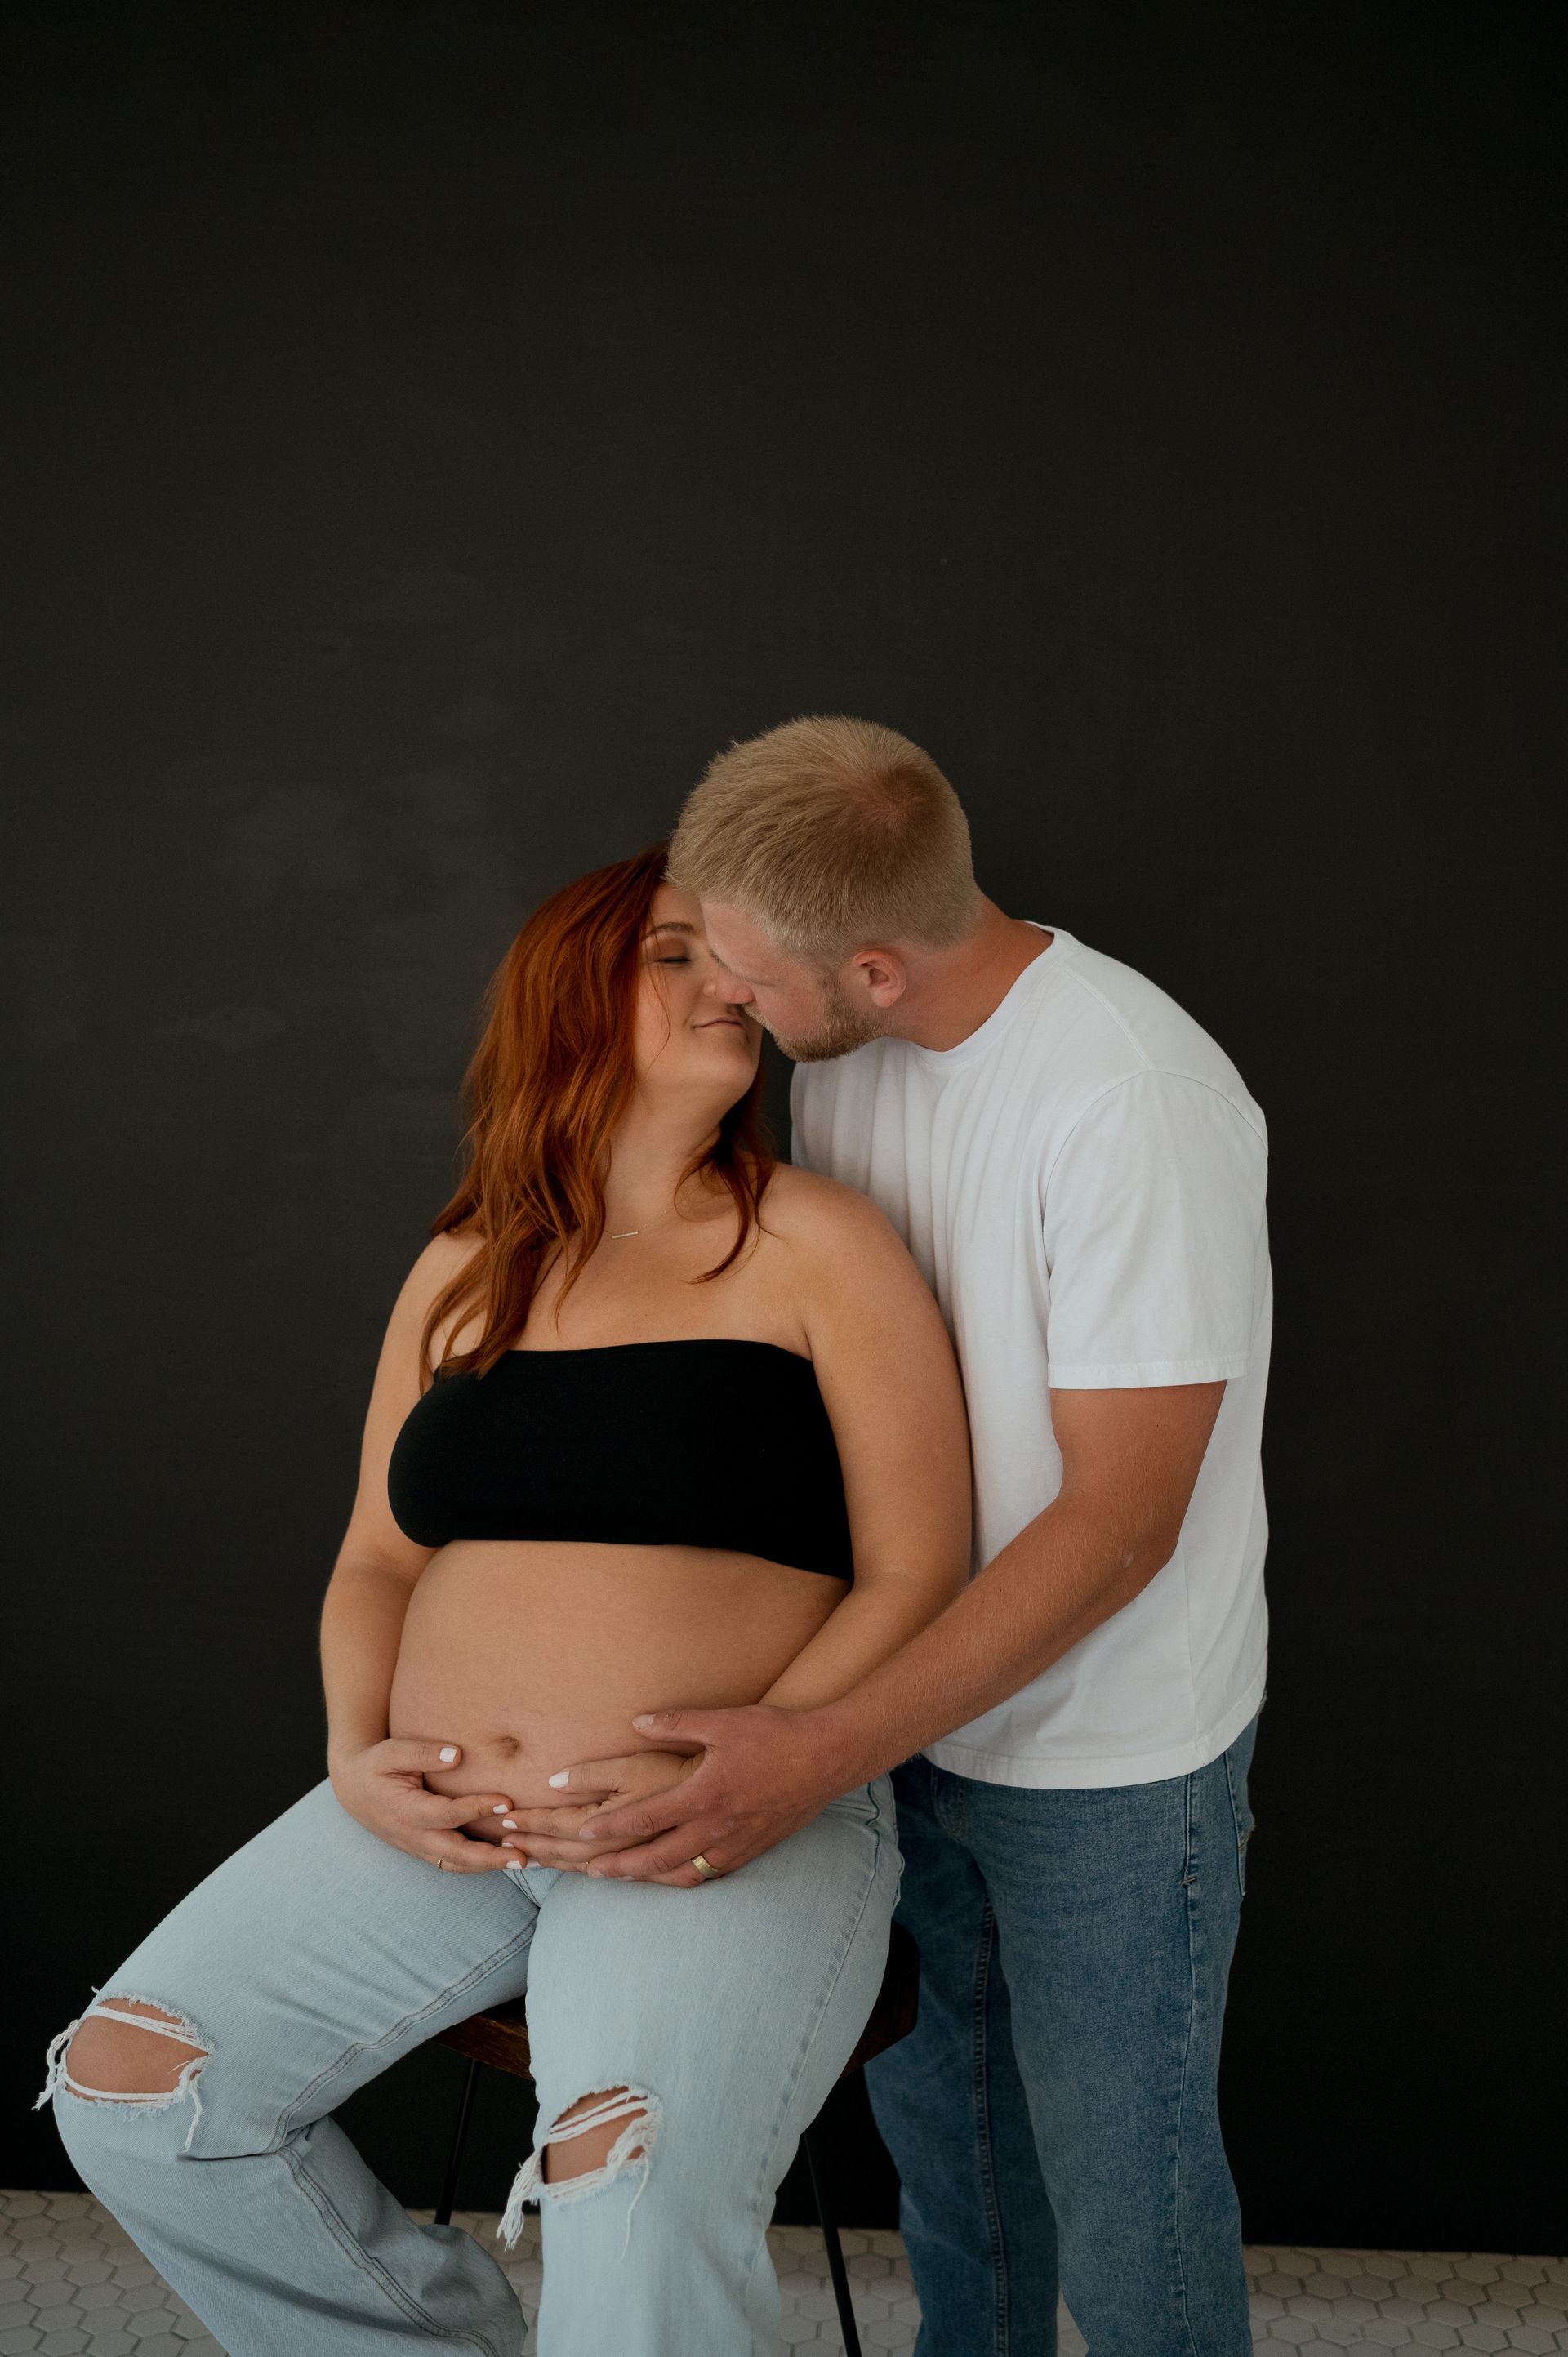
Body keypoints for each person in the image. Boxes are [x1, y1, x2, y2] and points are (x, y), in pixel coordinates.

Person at [42, 842, 972, 2357]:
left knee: (626, 2169)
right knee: (136, 2085)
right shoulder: (467, 1261)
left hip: (726, 1821)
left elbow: (919, 1571)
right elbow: (375, 1561)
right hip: (442, 1828)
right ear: (571, 997)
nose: (725, 982)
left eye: (736, 958)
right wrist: (355, 1753)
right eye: (676, 953)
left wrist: (758, 1756)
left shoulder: (816, 1243)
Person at [510, 719, 1272, 2357]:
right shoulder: (850, 1060)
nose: (730, 1003)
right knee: (959, 2181)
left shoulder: (1127, 1098)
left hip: (1107, 1758)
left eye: (752, 979)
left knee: (1128, 2210)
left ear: (873, 961)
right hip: (903, 1725)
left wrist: (821, 1742)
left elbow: (1124, 1524)